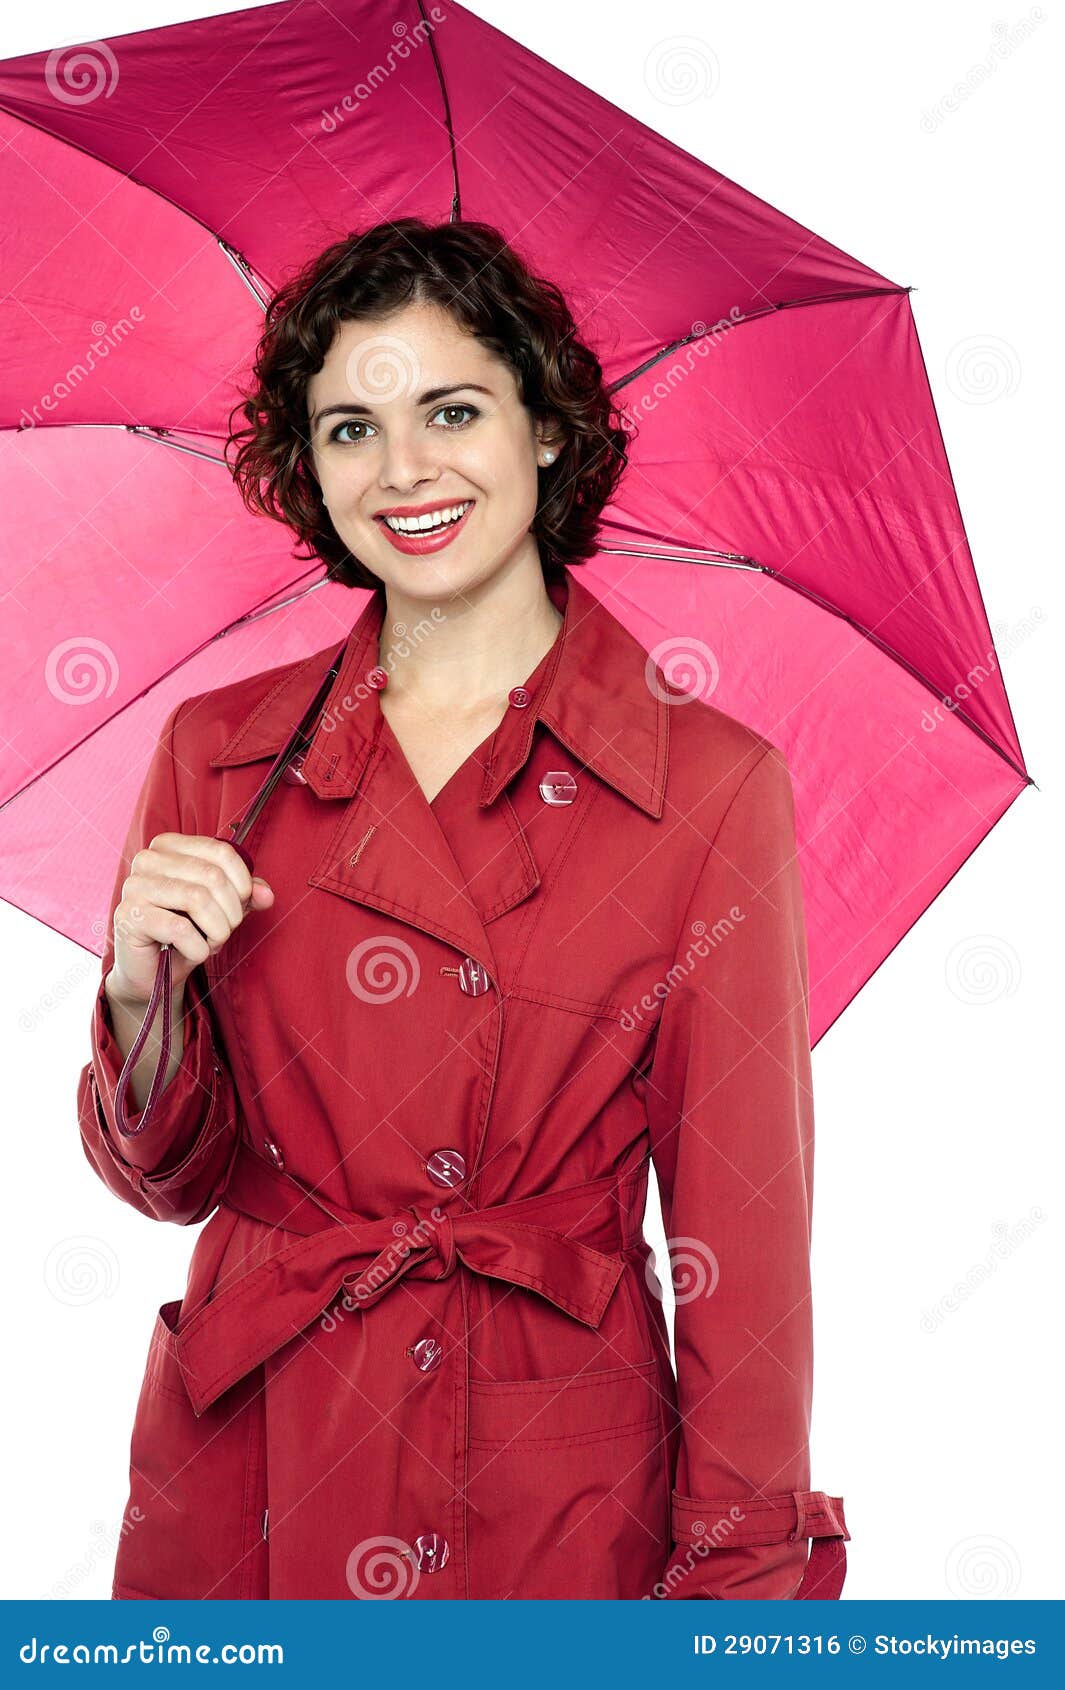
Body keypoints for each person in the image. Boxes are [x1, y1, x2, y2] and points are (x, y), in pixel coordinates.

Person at [78, 217, 848, 1601]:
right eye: (350, 428)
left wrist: (741, 1587)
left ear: (545, 427)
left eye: (450, 409)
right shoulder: (223, 753)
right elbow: (169, 1178)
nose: (404, 470)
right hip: (257, 1443)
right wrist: (143, 1000)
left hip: (547, 1475)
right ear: (305, 464)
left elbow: (743, 1231)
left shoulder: (711, 785)